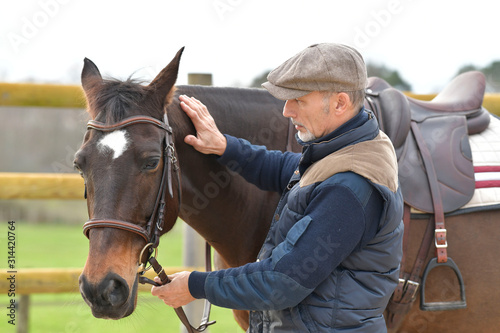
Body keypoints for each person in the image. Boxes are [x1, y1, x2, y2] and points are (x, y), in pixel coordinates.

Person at [151, 43, 404, 332]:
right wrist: (225, 146)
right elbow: (289, 169)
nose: (286, 110)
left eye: (298, 100)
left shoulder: (349, 187)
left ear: (339, 103)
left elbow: (283, 281)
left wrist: (196, 285)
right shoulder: (345, 150)